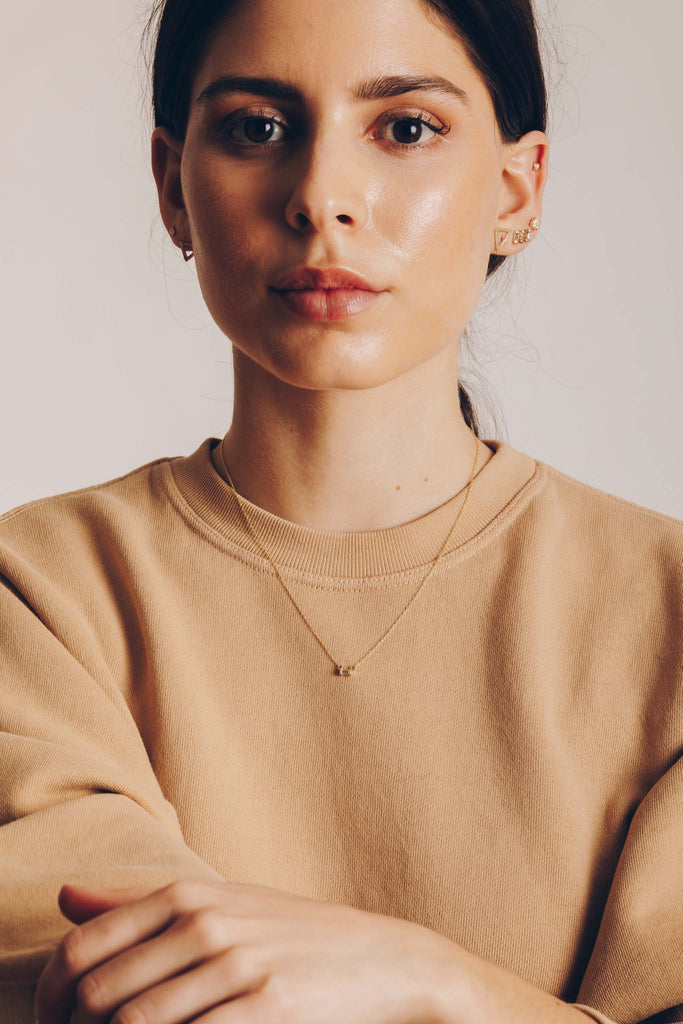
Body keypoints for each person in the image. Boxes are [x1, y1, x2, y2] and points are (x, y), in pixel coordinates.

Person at [0, 0, 681, 1021]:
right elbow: (126, 989)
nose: (321, 197)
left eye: (404, 128)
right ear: (171, 186)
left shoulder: (665, 609)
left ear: (514, 189)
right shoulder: (36, 590)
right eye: (254, 128)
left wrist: (428, 982)